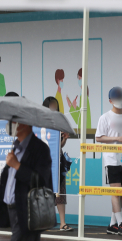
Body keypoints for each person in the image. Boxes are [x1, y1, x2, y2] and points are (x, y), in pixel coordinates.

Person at [95, 87, 122, 236]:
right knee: (115, 191)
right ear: (110, 100)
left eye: (121, 97)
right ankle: (121, 223)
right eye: (116, 98)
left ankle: (112, 224)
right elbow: (98, 138)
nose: (120, 100)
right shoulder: (105, 117)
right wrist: (116, 139)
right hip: (111, 158)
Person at [43, 96, 72, 231]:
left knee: (60, 192)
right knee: (45, 193)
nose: (54, 109)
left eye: (55, 106)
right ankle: (44, 222)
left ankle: (62, 223)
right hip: (44, 163)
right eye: (51, 106)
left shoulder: (59, 122)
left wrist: (64, 138)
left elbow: (59, 146)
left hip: (58, 161)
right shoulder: (40, 124)